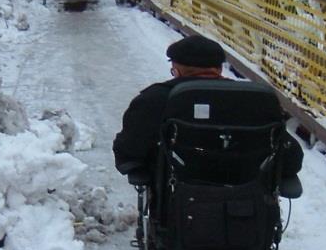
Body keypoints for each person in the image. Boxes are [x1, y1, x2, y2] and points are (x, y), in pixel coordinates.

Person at [113, 35, 302, 180]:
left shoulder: (156, 99)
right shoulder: (256, 101)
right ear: (219, 69)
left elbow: (129, 150)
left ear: (177, 70)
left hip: (177, 208)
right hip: (249, 210)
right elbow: (291, 159)